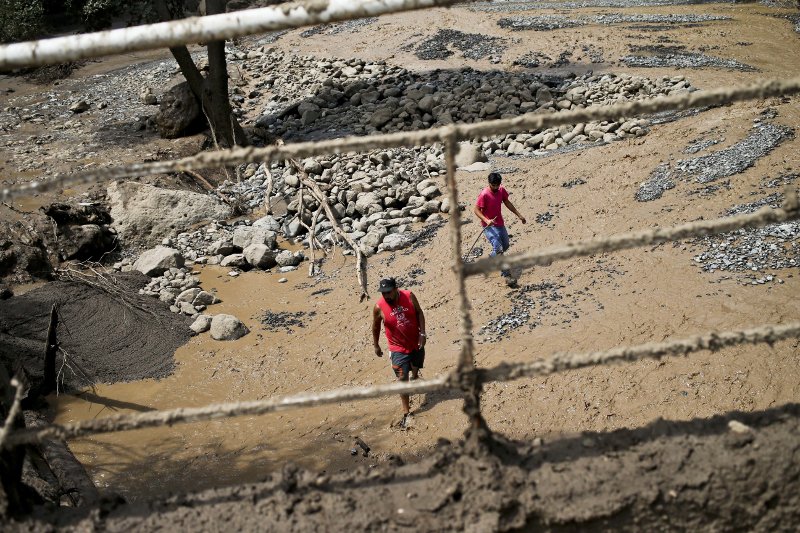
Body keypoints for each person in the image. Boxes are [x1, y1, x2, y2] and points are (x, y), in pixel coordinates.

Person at [372, 277, 426, 427]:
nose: (386, 296)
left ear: (396, 289)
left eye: (388, 292)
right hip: (397, 349)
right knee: (402, 380)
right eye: (383, 293)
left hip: (415, 342)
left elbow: (420, 313)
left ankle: (415, 376)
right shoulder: (379, 307)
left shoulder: (409, 296)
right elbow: (375, 327)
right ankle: (406, 412)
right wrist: (376, 345)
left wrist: (423, 334)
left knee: (416, 365)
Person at [473, 172, 527, 286]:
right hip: (489, 226)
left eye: (498, 185)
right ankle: (507, 276)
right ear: (489, 183)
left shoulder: (501, 190)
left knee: (506, 245)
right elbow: (476, 210)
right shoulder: (484, 194)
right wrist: (487, 220)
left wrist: (519, 215)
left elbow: (507, 202)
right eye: (493, 185)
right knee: (499, 249)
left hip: (499, 223)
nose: (496, 187)